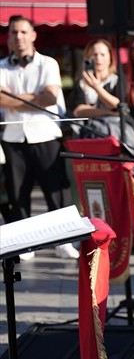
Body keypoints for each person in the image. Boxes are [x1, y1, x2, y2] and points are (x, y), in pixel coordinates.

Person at [0, 16, 73, 249]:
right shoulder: (1, 66)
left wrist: (13, 98)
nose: (18, 37)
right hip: (13, 137)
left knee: (55, 189)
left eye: (23, 32)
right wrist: (34, 97)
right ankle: (24, 244)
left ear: (33, 35)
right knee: (17, 193)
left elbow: (50, 98)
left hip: (45, 134)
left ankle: (64, 239)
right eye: (14, 32)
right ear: (9, 37)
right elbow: (1, 99)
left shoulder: (48, 63)